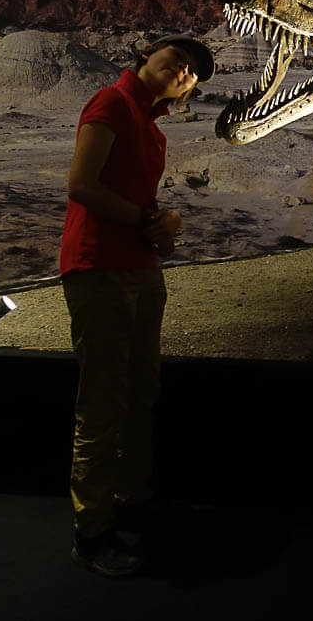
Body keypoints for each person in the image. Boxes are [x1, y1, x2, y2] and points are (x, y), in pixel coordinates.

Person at [60, 34, 214, 576]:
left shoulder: (151, 129)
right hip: (99, 265)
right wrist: (148, 222)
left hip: (139, 267)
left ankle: (131, 499)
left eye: (192, 70)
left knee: (139, 387)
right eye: (176, 57)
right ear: (146, 56)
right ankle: (92, 532)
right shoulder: (109, 103)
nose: (183, 69)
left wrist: (163, 224)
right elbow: (81, 185)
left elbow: (136, 202)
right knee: (103, 399)